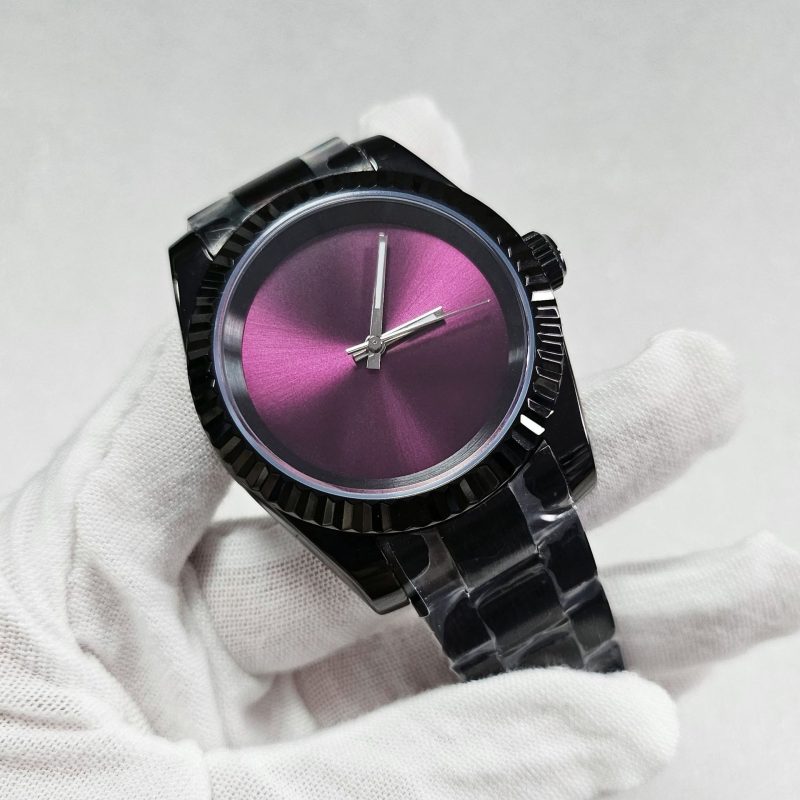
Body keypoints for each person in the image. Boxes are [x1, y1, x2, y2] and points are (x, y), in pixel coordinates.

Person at [1, 100, 798, 799]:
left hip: (498, 449)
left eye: (376, 340)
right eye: (361, 347)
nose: (370, 349)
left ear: (530, 272)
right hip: (393, 521)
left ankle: (570, 718)